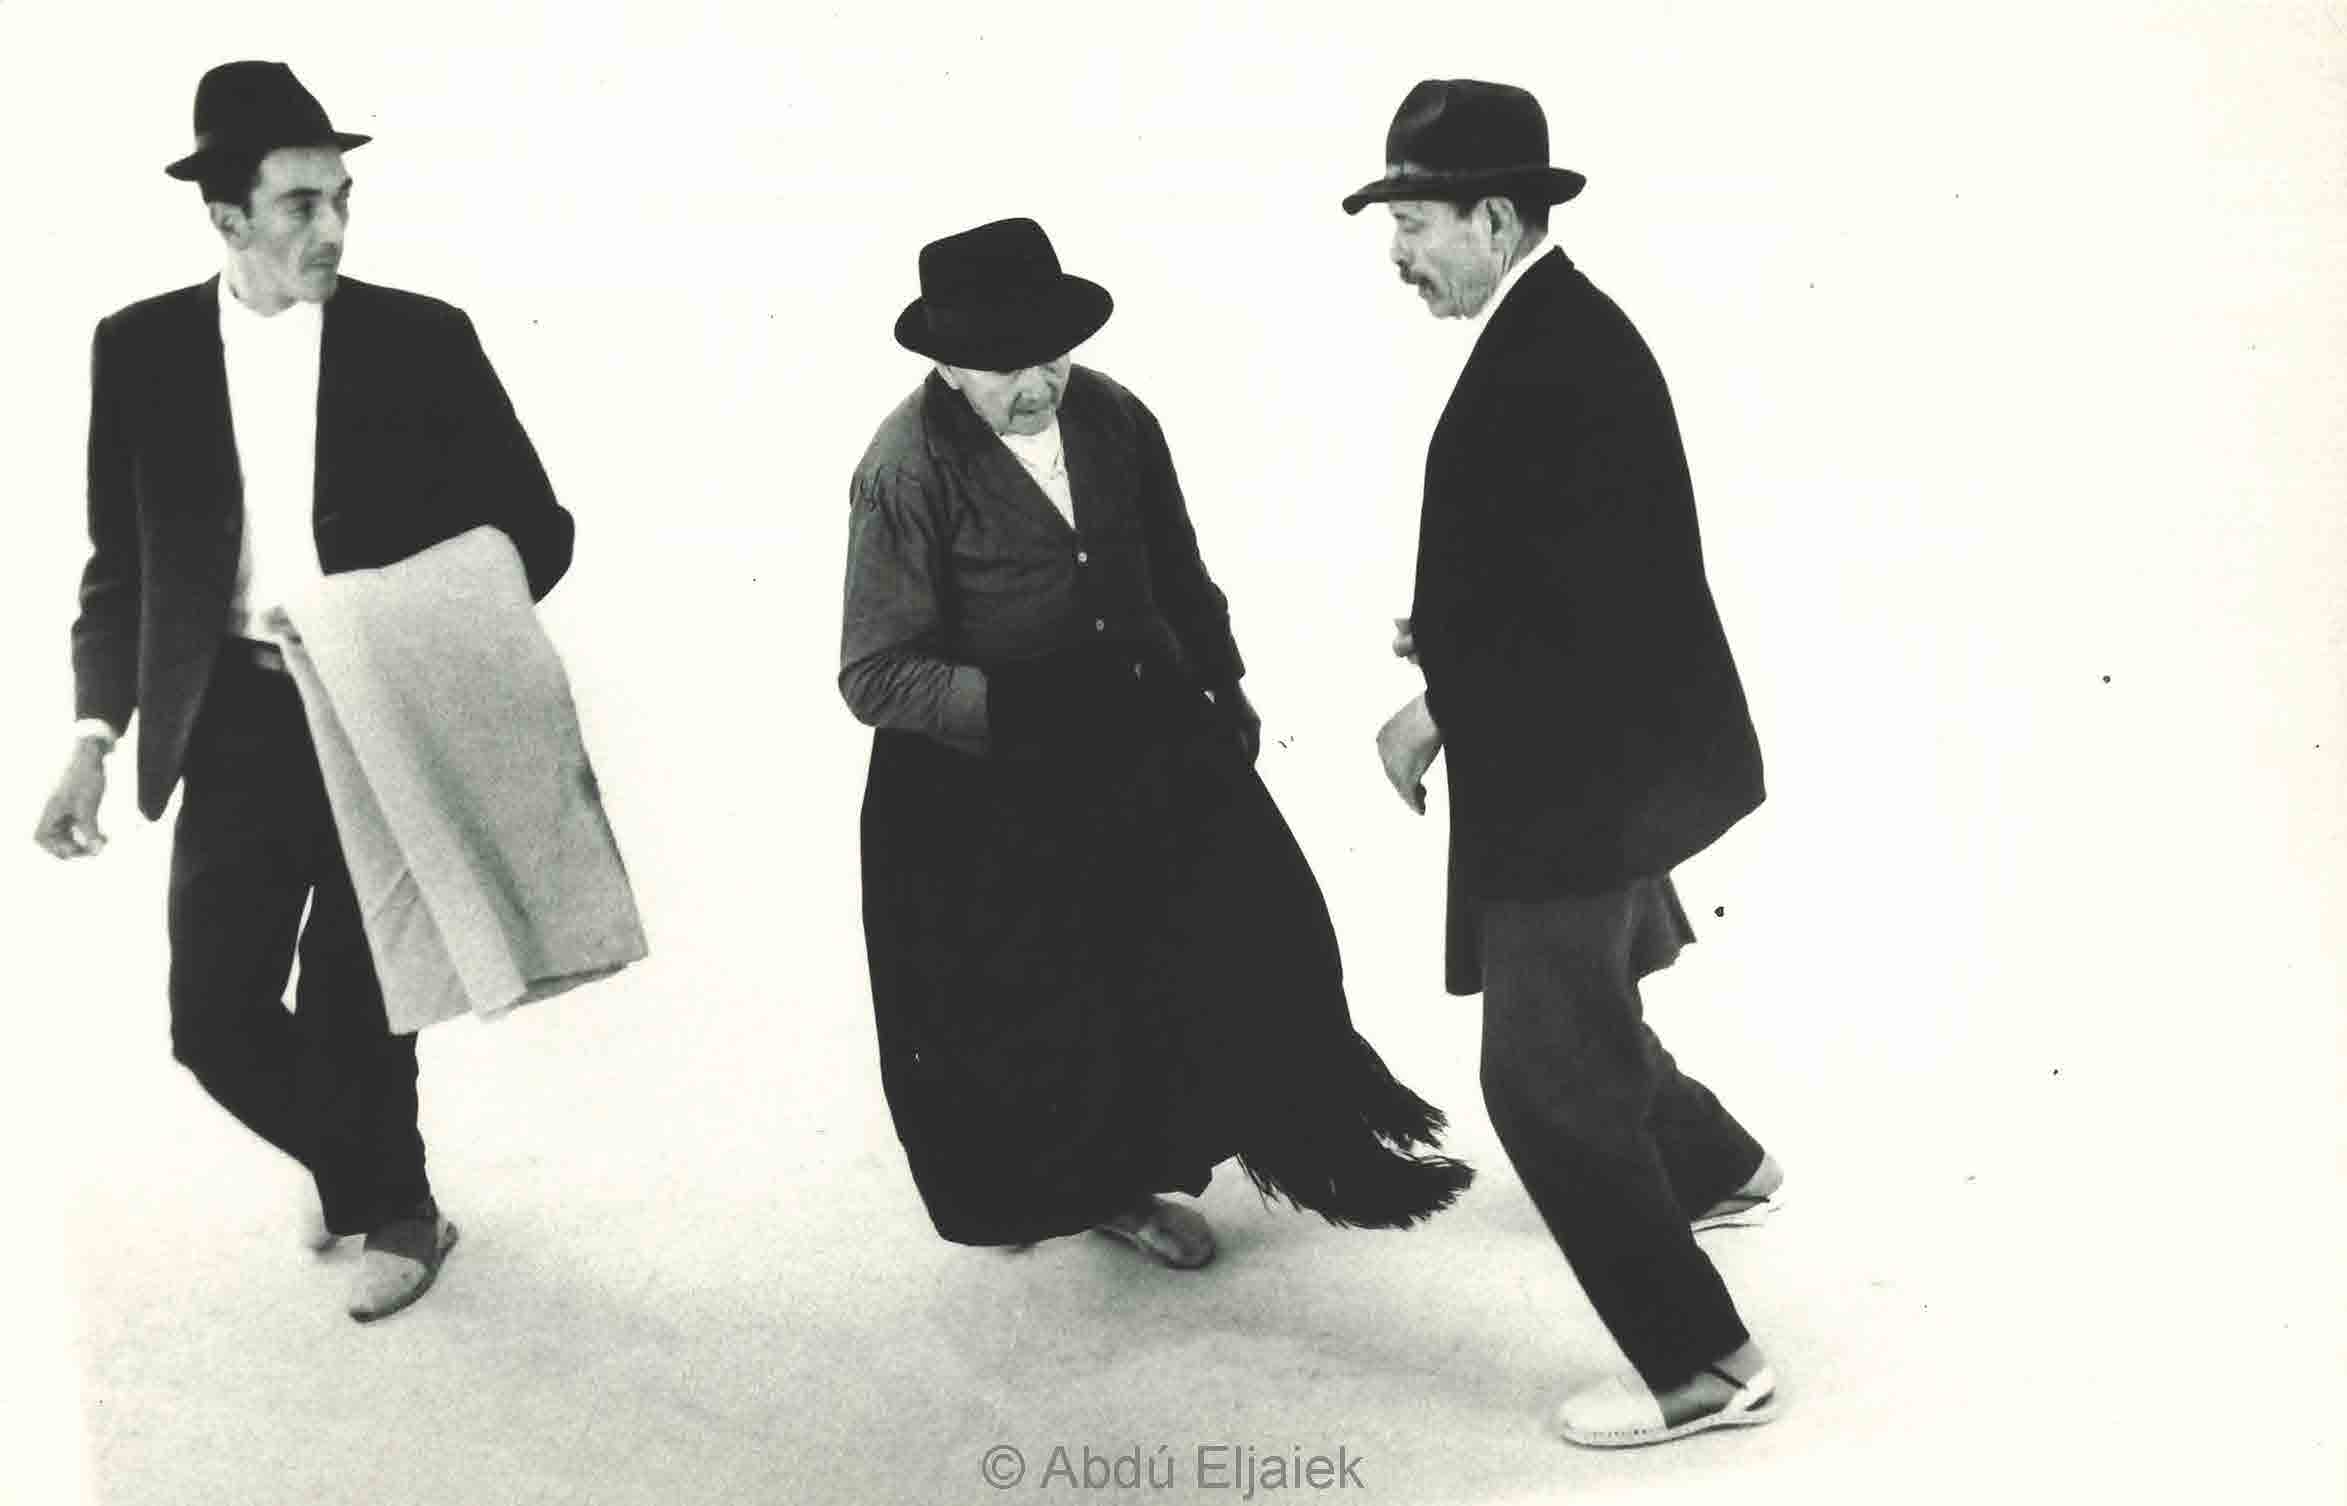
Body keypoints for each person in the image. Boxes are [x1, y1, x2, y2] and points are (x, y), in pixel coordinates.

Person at [31, 61, 576, 1322]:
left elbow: (537, 530)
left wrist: (397, 617)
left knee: (361, 991)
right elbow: (122, 569)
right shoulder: (141, 348)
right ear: (226, 217)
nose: (331, 228)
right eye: (298, 205)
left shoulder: (422, 337)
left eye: (341, 199)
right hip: (232, 714)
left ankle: (398, 1211)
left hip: (386, 696)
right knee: (211, 1016)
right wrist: (92, 735)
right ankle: (370, 1177)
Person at [840, 216, 1471, 1268]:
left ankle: (1218, 1140)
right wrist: (1034, 708)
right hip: (987, 787)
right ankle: (1100, 1193)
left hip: (1139, 729)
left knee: (1243, 936)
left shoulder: (1114, 415)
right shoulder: (904, 469)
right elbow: (875, 674)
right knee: (1046, 1007)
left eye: (1050, 356)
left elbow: (1177, 569)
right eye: (1002, 368)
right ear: (946, 365)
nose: (1036, 385)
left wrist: (1222, 687)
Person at [1343, 79, 1787, 1444]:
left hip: (1572, 781)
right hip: (1601, 761)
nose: (1398, 254)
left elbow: (1583, 610)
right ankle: (1715, 1165)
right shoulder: (1553, 329)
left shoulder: (1554, 355)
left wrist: (1436, 701)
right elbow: (1555, 559)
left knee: (1542, 1076)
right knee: (1587, 1007)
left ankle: (1702, 1365)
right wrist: (1452, 629)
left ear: (1492, 217)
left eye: (1413, 223)